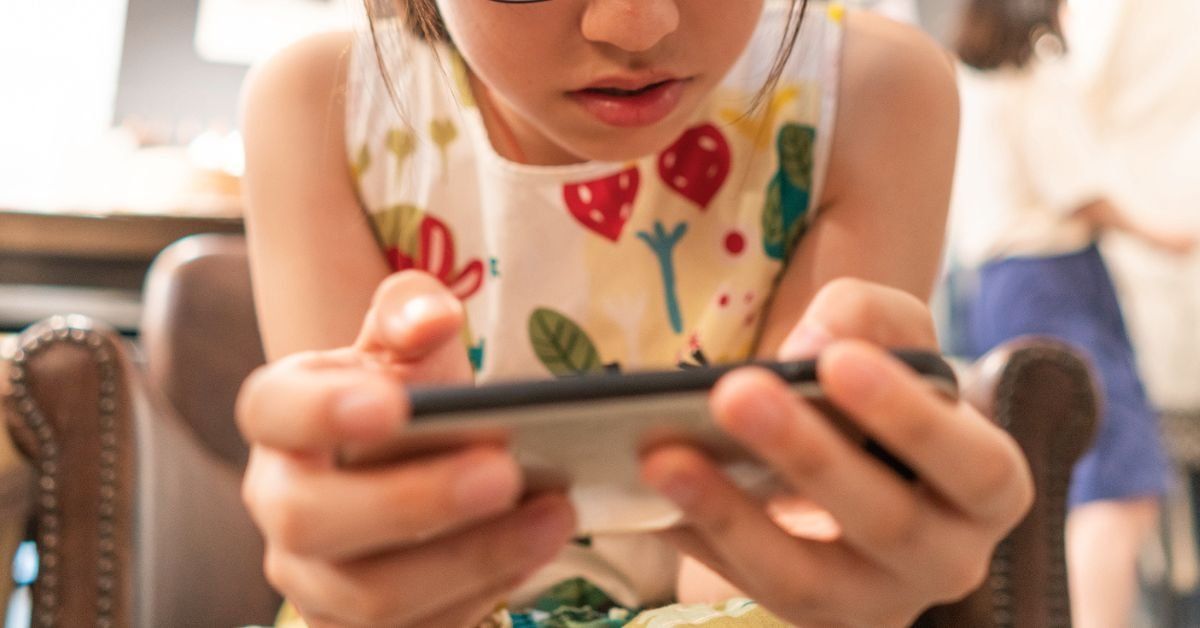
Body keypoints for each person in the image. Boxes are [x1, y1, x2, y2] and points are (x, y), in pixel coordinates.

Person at [236, 1, 1033, 626]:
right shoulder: (323, 102)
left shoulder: (870, 90)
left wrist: (842, 552)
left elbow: (750, 565)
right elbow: (367, 550)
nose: (636, 22)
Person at [948, 1, 1198, 626]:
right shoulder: (1034, 63)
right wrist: (1171, 233)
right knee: (1117, 486)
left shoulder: (969, 73)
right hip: (1054, 282)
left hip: (1004, 288)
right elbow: (1076, 184)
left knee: (1052, 486)